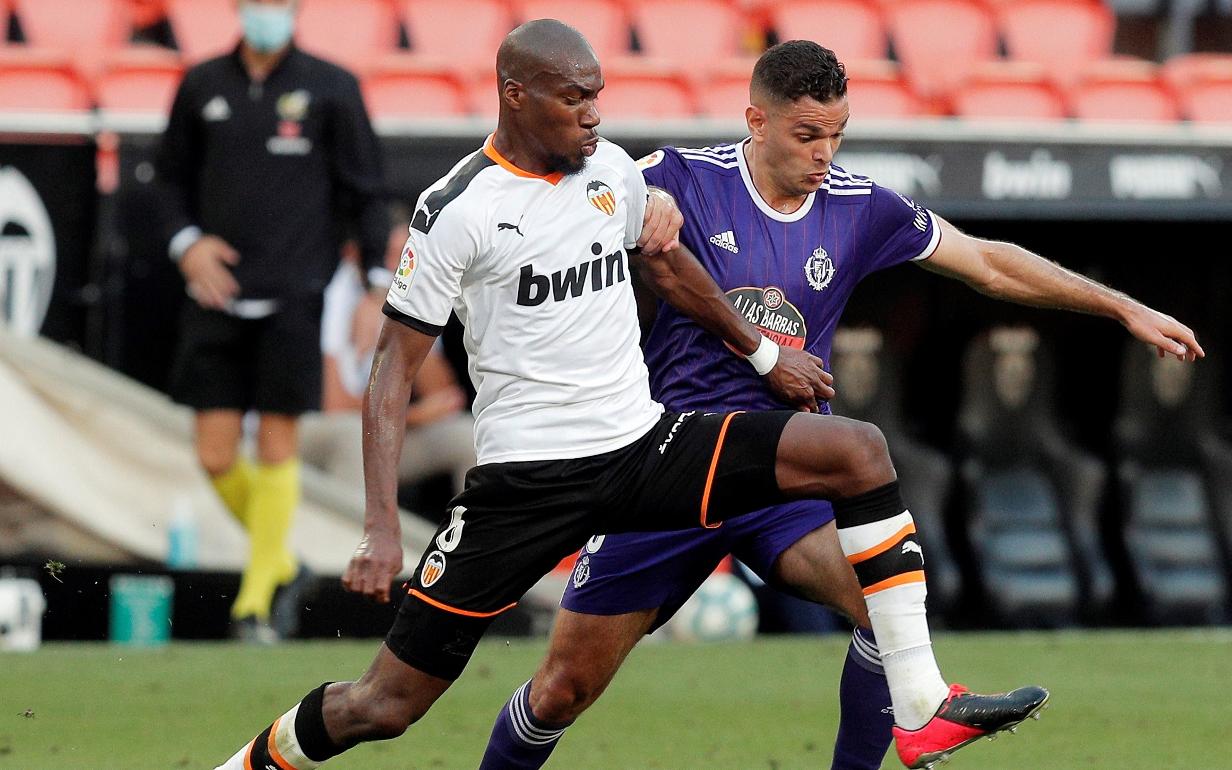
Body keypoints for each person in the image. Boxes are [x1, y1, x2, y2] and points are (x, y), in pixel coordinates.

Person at [213, 21, 1050, 770]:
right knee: (388, 707)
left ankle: (920, 706)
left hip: (645, 447)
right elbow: (393, 370)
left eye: (598, 98)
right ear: (517, 95)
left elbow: (670, 267)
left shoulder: (610, 168)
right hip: (527, 483)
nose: (593, 115)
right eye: (575, 99)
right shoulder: (457, 211)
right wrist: (382, 523)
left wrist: (763, 357)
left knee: (858, 451)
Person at [477, 40, 1206, 770]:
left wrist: (1120, 308)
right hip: (672, 471)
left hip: (786, 471)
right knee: (561, 690)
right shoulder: (680, 179)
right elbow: (572, 204)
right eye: (807, 135)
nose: (825, 153)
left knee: (886, 605)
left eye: (837, 134)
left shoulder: (858, 207)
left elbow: (985, 260)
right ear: (756, 121)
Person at [154, 0, 390, 641]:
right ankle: (281, 565)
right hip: (215, 293)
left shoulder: (332, 87)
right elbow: (167, 179)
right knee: (213, 454)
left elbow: (365, 189)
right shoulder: (202, 83)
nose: (269, 14)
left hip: (293, 293)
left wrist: (374, 283)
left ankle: (252, 605)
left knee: (278, 442)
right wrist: (187, 244)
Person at [301, 221, 476, 498]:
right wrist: (414, 416)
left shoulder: (413, 295)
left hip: (383, 430)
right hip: (310, 429)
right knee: (352, 438)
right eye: (389, 256)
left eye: (406, 255)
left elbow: (445, 398)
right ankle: (351, 541)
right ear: (354, 254)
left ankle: (469, 540)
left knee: (469, 438)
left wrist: (402, 327)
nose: (398, 267)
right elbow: (331, 404)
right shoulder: (333, 291)